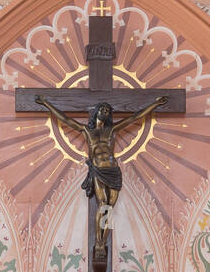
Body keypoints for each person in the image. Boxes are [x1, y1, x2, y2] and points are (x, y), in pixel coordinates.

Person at [34, 95, 167, 262]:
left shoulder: (112, 130)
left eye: (107, 110)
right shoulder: (87, 131)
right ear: (96, 112)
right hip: (98, 170)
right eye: (102, 109)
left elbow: (135, 117)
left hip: (113, 171)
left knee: (109, 209)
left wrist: (154, 104)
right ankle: (98, 242)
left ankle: (103, 241)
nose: (105, 111)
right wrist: (46, 104)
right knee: (103, 205)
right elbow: (65, 119)